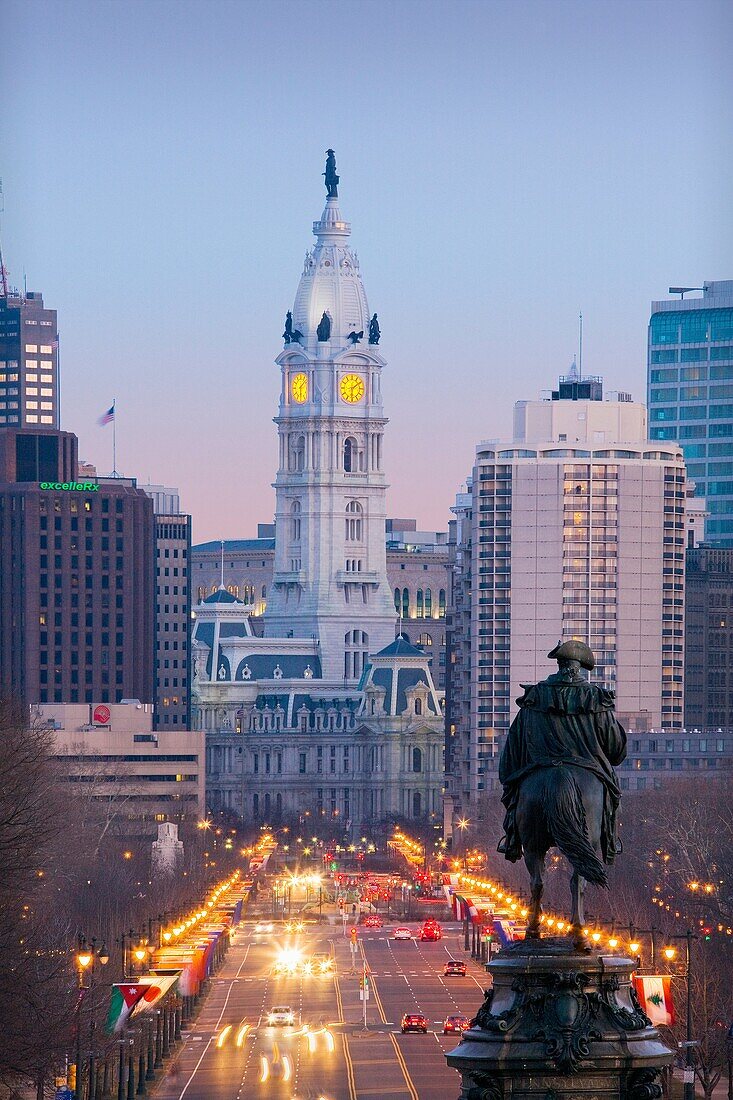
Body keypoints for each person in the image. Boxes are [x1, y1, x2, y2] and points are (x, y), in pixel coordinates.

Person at [498, 640, 626, 865]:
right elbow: (616, 751)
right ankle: (611, 839)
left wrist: (510, 779)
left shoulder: (534, 696)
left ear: (559, 665)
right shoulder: (595, 699)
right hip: (586, 767)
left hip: (540, 767)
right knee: (611, 794)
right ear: (579, 668)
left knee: (518, 793)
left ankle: (512, 839)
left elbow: (513, 747)